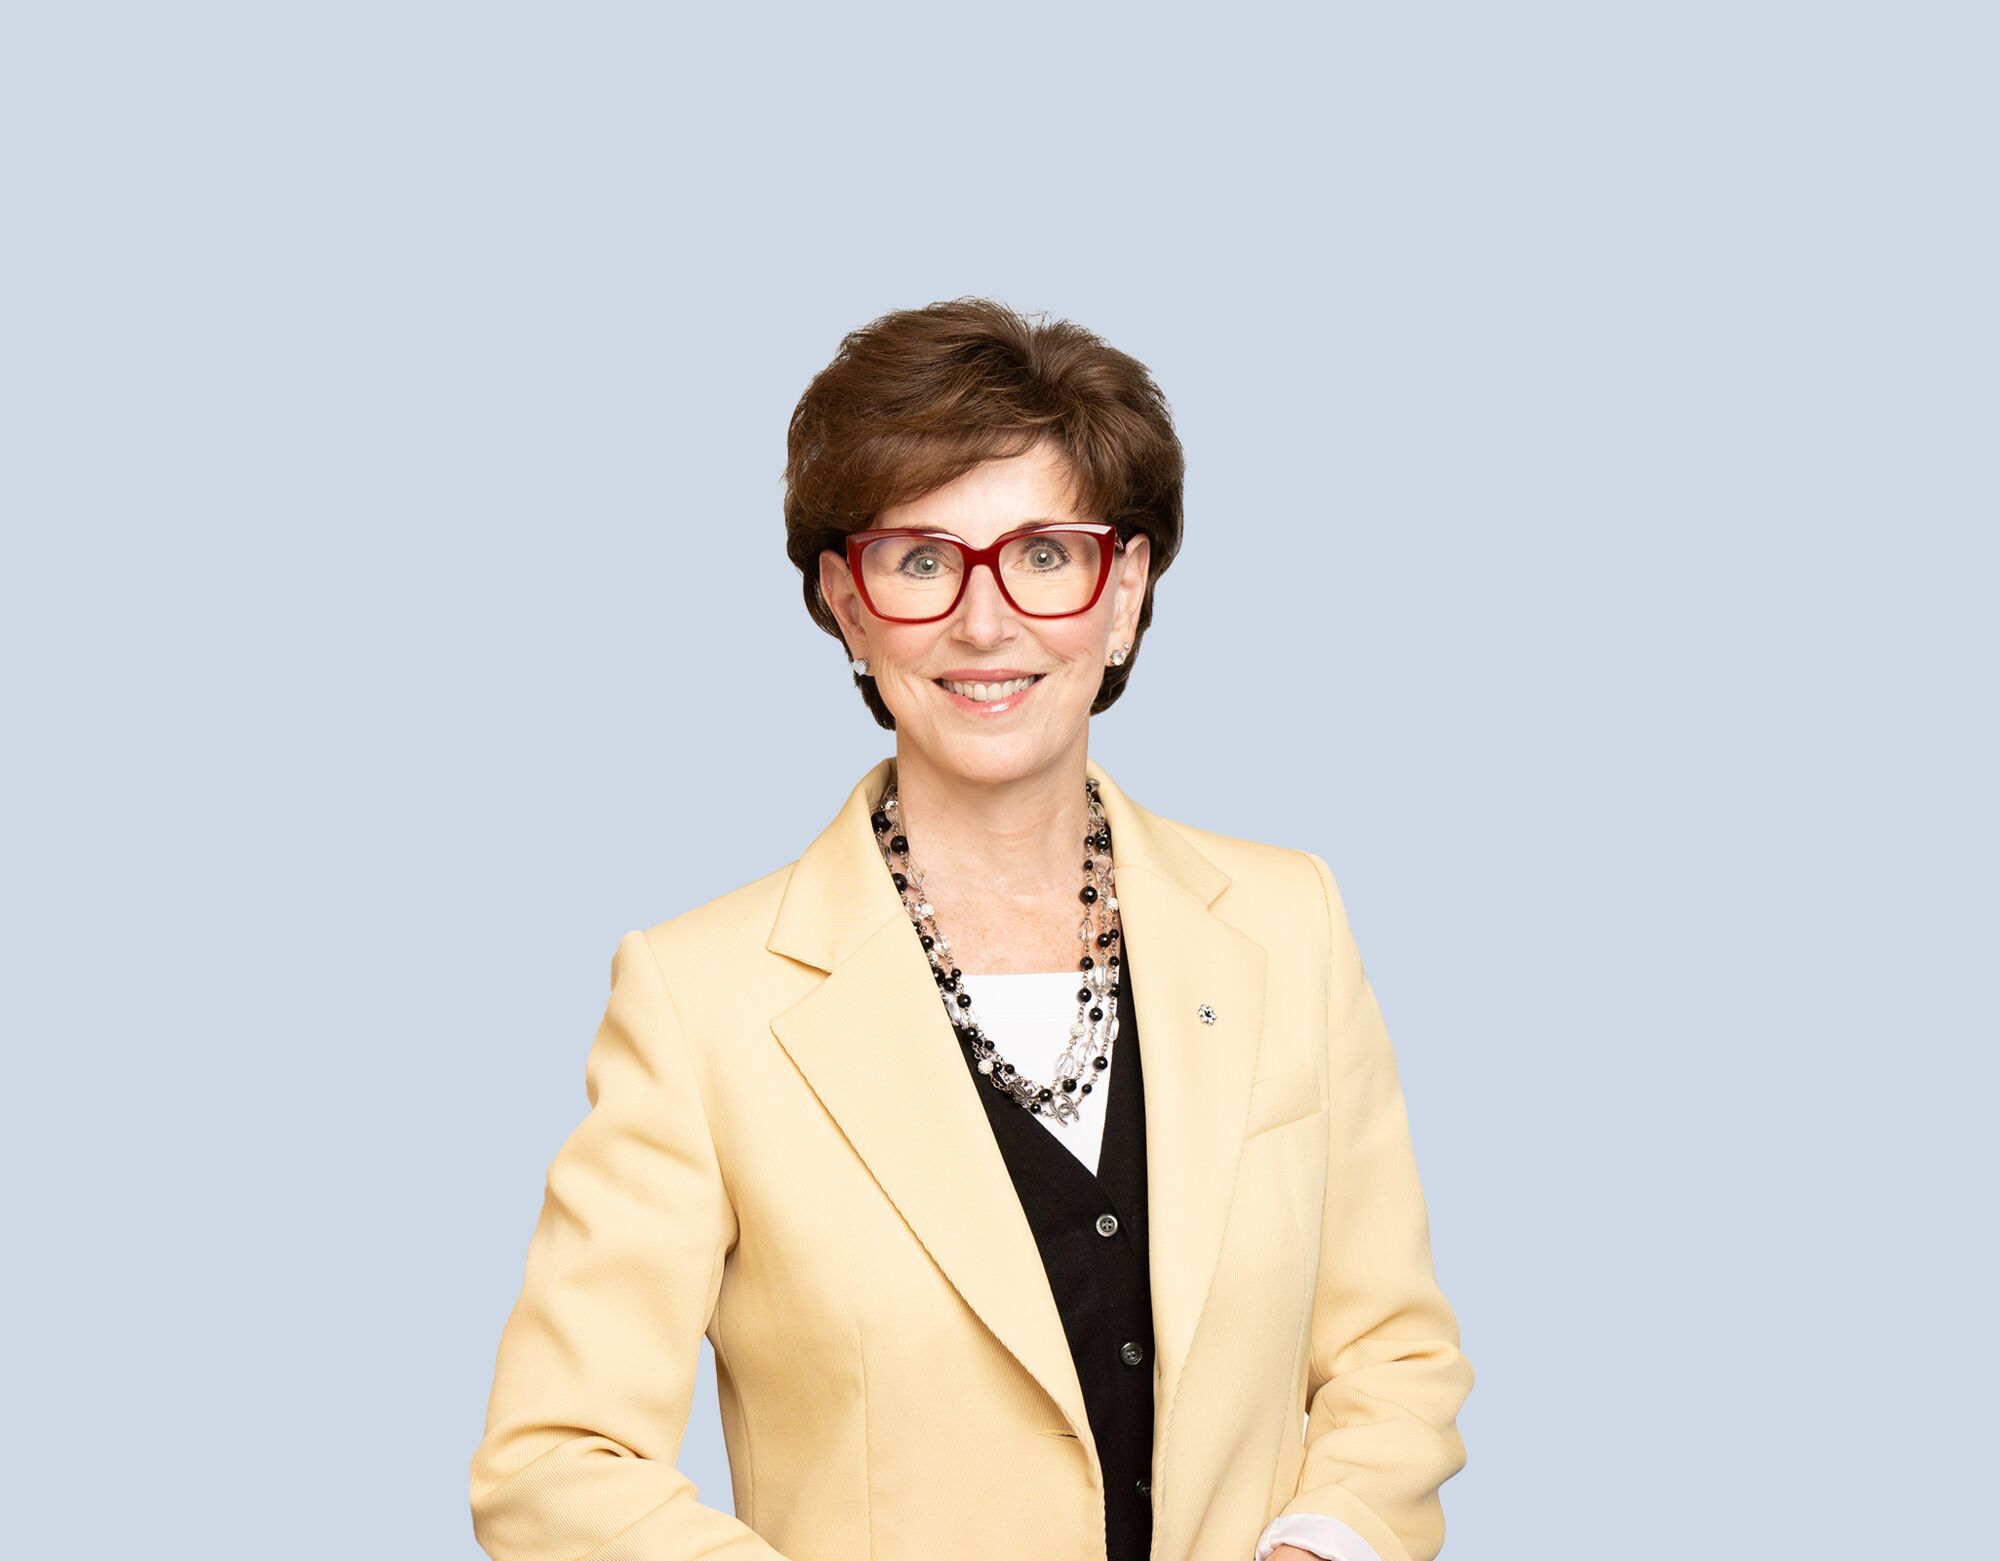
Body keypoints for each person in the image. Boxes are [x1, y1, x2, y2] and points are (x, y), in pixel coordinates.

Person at [469, 298, 1474, 1561]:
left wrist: (1322, 1548)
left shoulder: (1290, 924)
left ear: (1124, 590)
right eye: (921, 559)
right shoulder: (698, 999)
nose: (984, 620)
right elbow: (556, 1464)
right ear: (846, 600)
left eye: (1044, 553)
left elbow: (1391, 1351)